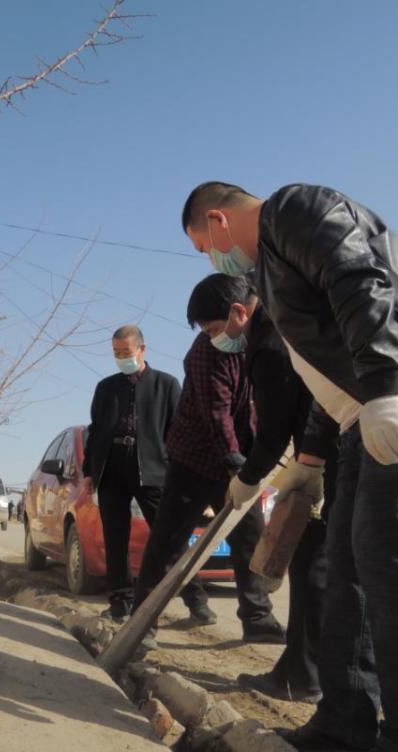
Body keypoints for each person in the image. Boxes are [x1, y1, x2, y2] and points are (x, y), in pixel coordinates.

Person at [181, 182, 398, 752]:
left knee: (393, 556)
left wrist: (385, 388)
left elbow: (361, 285)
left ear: (218, 221)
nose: (212, 260)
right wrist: (313, 455)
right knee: (346, 558)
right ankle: (343, 719)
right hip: (364, 411)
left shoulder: (297, 210)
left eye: (204, 247)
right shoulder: (273, 273)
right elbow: (327, 367)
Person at [182, 273, 337, 700]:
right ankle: (299, 669)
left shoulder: (267, 346)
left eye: (215, 330)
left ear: (237, 312)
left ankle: (307, 677)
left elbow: (273, 431)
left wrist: (246, 480)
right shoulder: (287, 317)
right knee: (314, 564)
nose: (216, 341)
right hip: (323, 451)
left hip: (332, 452)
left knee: (316, 567)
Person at [131, 276, 283, 647]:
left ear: (238, 313)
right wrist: (237, 466)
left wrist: (255, 463)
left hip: (238, 460)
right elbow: (217, 414)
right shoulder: (203, 353)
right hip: (193, 463)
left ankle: (258, 618)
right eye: (205, 330)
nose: (211, 335)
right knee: (167, 543)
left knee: (250, 541)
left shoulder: (260, 341)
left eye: (213, 327)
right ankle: (142, 623)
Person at [81, 325, 210, 622]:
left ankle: (196, 599)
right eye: (116, 353)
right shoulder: (106, 388)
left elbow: (180, 432)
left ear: (142, 349)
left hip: (153, 470)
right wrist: (90, 471)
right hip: (112, 469)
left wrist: (181, 473)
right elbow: (96, 431)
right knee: (115, 539)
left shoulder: (166, 385)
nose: (121, 358)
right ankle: (120, 602)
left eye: (126, 352)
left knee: (170, 538)